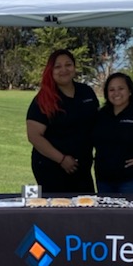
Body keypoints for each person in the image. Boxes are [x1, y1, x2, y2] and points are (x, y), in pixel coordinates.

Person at [26, 49, 99, 193]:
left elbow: (96, 123)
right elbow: (34, 136)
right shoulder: (43, 99)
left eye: (68, 65)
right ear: (50, 70)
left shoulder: (86, 92)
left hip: (82, 166)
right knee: (57, 210)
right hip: (51, 166)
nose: (64, 70)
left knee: (86, 208)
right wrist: (62, 159)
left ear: (74, 67)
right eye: (58, 66)